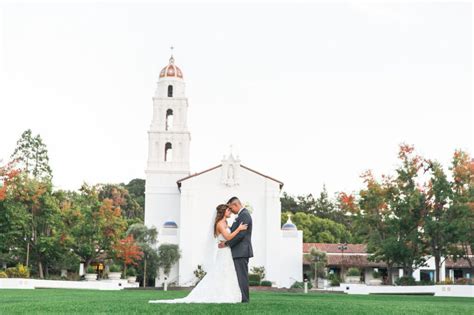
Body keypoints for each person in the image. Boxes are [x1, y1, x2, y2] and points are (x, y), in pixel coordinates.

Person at [149, 204, 247, 304]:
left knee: (227, 273)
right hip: (223, 252)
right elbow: (229, 237)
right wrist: (239, 229)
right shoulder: (220, 224)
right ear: (223, 212)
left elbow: (228, 236)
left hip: (227, 251)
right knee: (221, 271)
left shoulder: (225, 222)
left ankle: (227, 293)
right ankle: (219, 294)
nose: (230, 212)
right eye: (228, 210)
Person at [218, 196, 253, 303]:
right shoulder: (240, 216)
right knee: (238, 276)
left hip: (241, 251)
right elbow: (233, 232)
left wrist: (227, 243)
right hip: (237, 251)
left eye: (231, 208)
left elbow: (241, 235)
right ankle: (240, 297)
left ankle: (244, 299)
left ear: (235, 205)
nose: (231, 211)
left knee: (242, 276)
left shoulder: (245, 215)